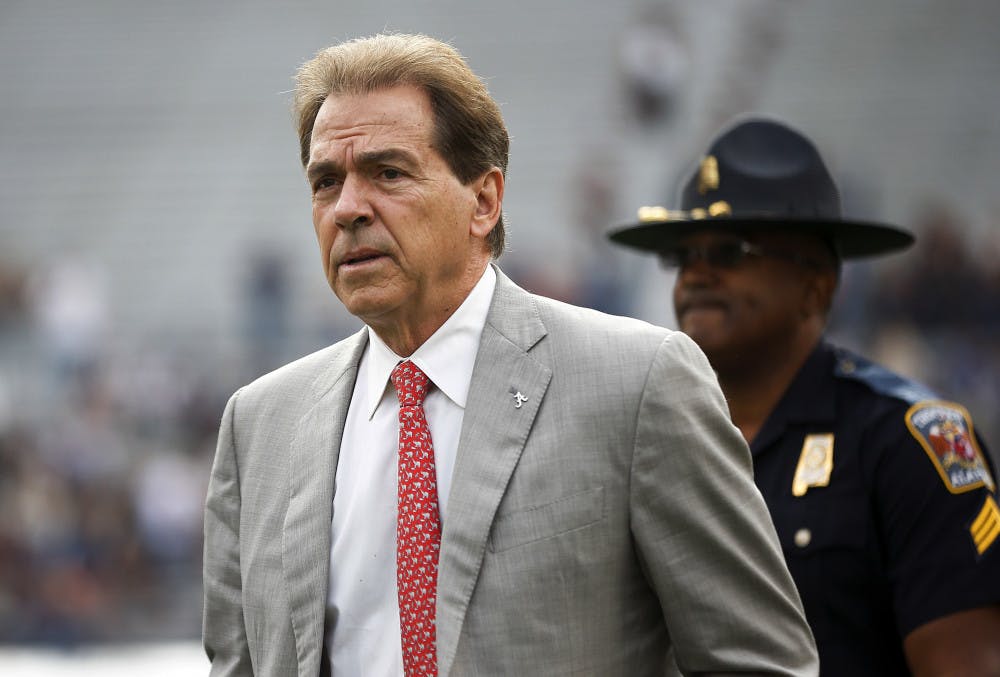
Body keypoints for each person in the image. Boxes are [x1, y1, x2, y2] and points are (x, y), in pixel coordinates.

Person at [202, 34, 818, 676]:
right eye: (326, 182)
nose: (349, 208)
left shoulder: (639, 383)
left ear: (484, 201)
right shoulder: (259, 424)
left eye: (388, 173)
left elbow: (759, 662)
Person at [608, 116, 1000, 676]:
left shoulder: (904, 443)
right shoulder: (645, 440)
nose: (695, 275)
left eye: (728, 252)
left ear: (816, 286)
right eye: (683, 256)